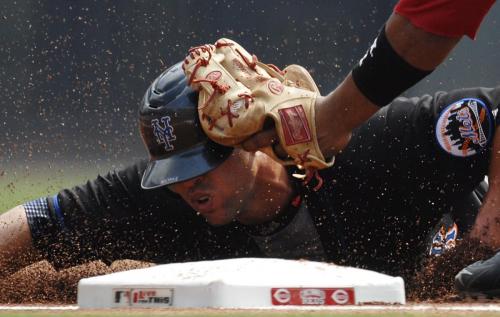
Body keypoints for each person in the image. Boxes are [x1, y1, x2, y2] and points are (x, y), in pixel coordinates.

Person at [1, 61, 499, 296]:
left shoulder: (363, 144)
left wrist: (489, 228)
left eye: (202, 165)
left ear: (251, 137)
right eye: (173, 174)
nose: (186, 187)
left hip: (459, 275)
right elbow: (42, 220)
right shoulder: (166, 198)